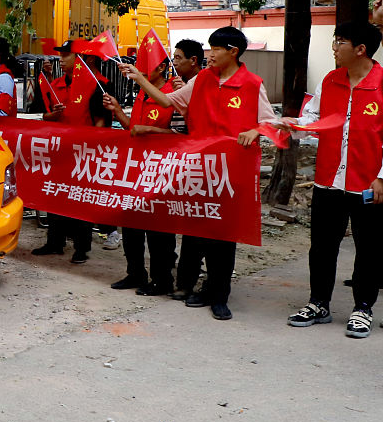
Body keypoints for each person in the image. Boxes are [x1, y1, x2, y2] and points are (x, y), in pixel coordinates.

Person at [120, 26, 273, 320]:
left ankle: (219, 295)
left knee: (224, 237)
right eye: (209, 48)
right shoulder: (202, 79)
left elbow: (269, 122)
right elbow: (168, 101)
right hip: (199, 171)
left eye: (215, 49)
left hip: (230, 174)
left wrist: (255, 130)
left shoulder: (253, 84)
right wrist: (140, 79)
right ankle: (200, 289)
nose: (210, 54)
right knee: (199, 232)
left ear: (233, 52)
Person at [284, 22, 383, 338]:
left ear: (360, 49)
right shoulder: (331, 80)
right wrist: (292, 123)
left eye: (339, 41)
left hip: (367, 183)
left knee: (369, 248)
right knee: (322, 246)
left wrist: (382, 178)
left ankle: (362, 308)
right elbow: (315, 118)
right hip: (329, 179)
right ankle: (318, 303)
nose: (333, 46)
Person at [102, 56, 177, 295]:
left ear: (162, 68)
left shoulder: (172, 95)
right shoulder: (142, 95)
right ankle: (135, 273)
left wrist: (152, 131)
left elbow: (181, 135)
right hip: (134, 169)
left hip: (160, 171)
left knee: (159, 231)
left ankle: (162, 280)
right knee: (131, 225)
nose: (139, 71)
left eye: (146, 66)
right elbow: (132, 129)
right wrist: (116, 110)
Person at [33, 40, 111, 264]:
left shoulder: (97, 85)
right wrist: (53, 116)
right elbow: (44, 116)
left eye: (67, 55)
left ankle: (81, 247)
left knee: (79, 201)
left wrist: (89, 147)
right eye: (62, 55)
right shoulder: (55, 84)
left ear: (82, 60)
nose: (61, 59)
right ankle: (54, 242)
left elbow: (101, 122)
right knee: (54, 194)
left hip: (82, 153)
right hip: (59, 150)